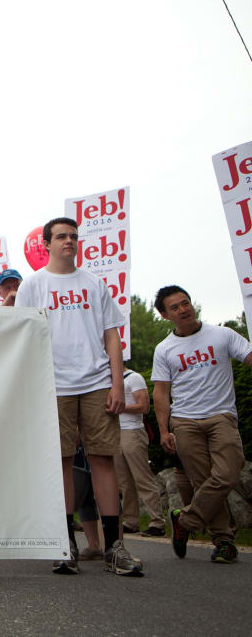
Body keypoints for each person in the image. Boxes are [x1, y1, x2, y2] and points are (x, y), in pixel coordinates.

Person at [14, 217, 142, 576]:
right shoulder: (33, 286)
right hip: (53, 385)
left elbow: (112, 336)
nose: (69, 241)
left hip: (97, 382)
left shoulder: (95, 283)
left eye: (73, 236)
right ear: (47, 244)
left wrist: (118, 384)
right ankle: (65, 543)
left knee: (103, 460)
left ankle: (114, 546)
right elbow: (22, 337)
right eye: (61, 236)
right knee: (63, 462)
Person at [152, 285, 252, 564]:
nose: (184, 309)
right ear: (164, 315)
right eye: (175, 307)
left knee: (228, 473)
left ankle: (184, 519)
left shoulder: (222, 334)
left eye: (186, 303)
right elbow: (160, 392)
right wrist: (163, 430)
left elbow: (248, 356)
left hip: (221, 416)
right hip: (184, 422)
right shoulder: (165, 349)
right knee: (203, 482)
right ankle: (224, 542)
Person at [114, 368, 165, 537]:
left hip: (132, 431)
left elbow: (144, 407)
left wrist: (120, 407)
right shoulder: (110, 379)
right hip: (115, 432)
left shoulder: (133, 377)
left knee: (142, 478)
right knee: (124, 482)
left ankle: (157, 522)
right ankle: (131, 521)